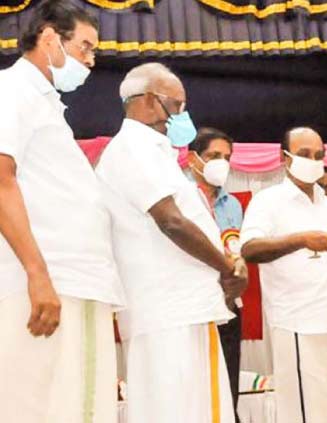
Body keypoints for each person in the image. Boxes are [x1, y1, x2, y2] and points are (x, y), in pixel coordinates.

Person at [96, 63, 247, 423]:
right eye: (177, 105)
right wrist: (227, 266)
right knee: (174, 411)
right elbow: (171, 222)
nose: (183, 116)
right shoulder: (132, 148)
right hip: (167, 312)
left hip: (184, 309)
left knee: (197, 410)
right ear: (149, 100)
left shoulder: (156, 152)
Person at [0, 2, 125, 422]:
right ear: (50, 38)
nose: (91, 61)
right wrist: (38, 275)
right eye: (85, 47)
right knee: (41, 408)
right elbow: (1, 180)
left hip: (72, 282)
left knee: (74, 407)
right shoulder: (11, 90)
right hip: (48, 281)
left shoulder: (46, 104)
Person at [240, 127, 327, 423]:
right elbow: (249, 249)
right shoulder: (269, 200)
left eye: (319, 155)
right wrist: (301, 240)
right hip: (299, 323)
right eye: (304, 154)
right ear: (284, 157)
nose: (313, 161)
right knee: (307, 412)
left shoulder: (326, 203)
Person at [187, 127, 246, 422]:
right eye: (213, 156)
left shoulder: (232, 205)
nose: (221, 163)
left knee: (228, 389)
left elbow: (238, 251)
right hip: (194, 307)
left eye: (227, 157)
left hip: (230, 305)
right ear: (193, 159)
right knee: (196, 390)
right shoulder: (181, 198)